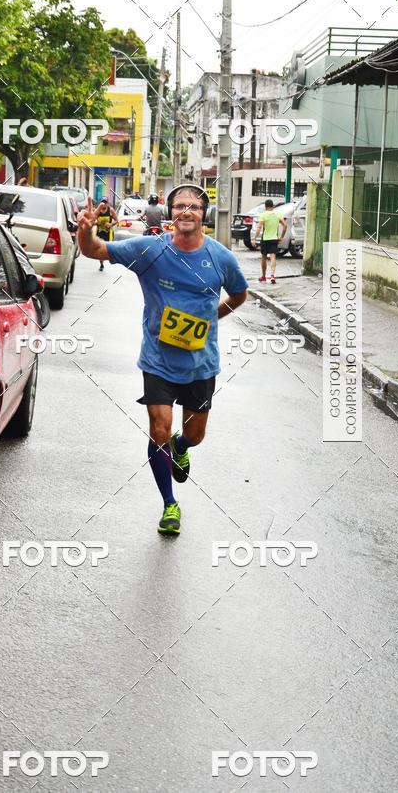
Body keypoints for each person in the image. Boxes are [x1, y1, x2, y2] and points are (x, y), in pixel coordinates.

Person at [77, 183, 248, 535]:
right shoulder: (150, 251)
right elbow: (94, 250)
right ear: (170, 213)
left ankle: (181, 446)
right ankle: (170, 504)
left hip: (200, 362)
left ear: (204, 215)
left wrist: (212, 317)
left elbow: (240, 293)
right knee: (158, 427)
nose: (187, 211)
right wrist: (85, 230)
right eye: (180, 205)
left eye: (195, 207)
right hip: (157, 360)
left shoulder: (220, 258)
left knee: (195, 434)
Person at [253, 199, 287, 284]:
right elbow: (285, 225)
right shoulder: (278, 214)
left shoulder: (263, 215)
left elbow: (259, 227)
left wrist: (254, 238)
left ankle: (264, 277)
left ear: (265, 206)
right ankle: (272, 276)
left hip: (265, 239)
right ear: (273, 206)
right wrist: (281, 237)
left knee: (263, 257)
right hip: (274, 239)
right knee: (273, 257)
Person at [94, 197, 118, 271]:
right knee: (99, 248)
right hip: (99, 232)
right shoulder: (97, 211)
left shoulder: (111, 210)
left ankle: (109, 257)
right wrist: (96, 222)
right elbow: (92, 220)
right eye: (102, 202)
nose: (104, 204)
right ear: (100, 203)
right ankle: (101, 264)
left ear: (108, 203)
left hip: (108, 233)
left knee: (108, 248)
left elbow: (116, 220)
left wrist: (111, 224)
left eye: (105, 202)